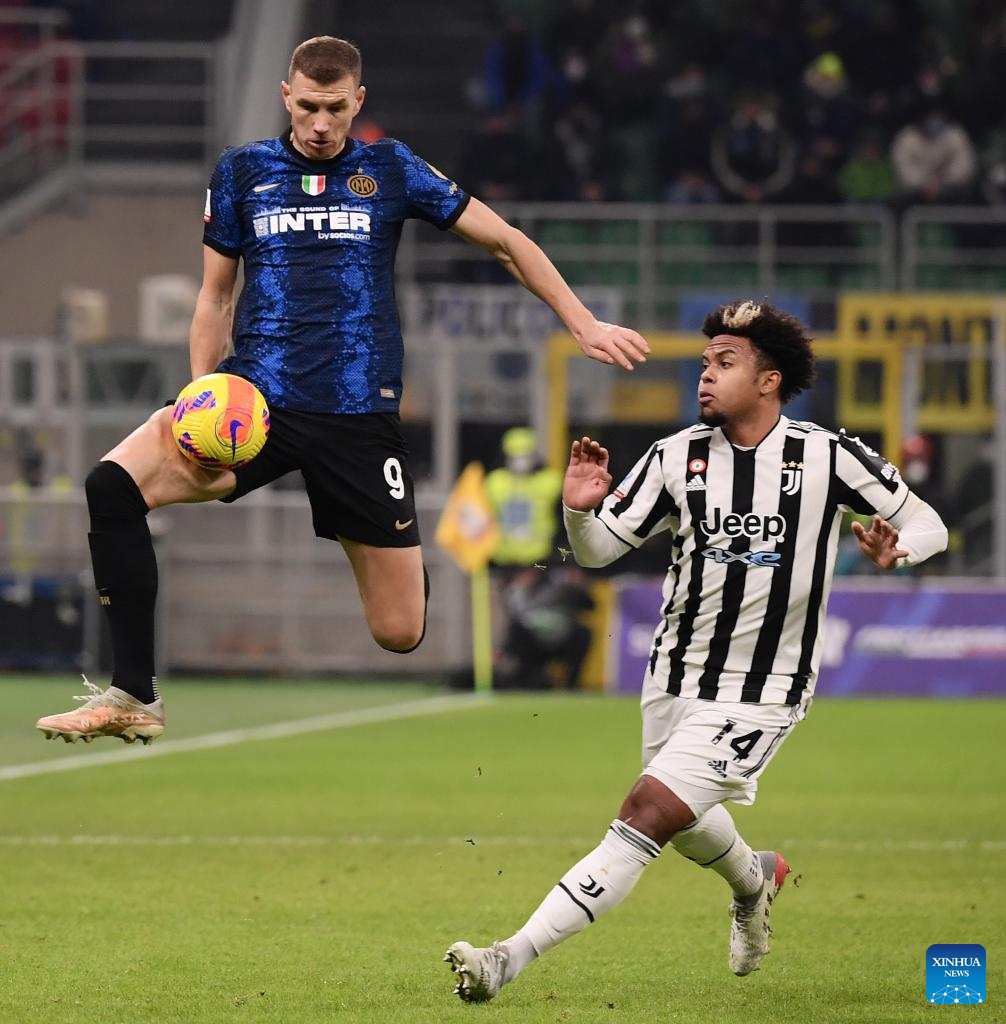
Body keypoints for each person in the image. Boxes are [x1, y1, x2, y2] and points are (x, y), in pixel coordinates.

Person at [35, 35, 649, 745]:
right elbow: (215, 297)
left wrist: (581, 322)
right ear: (286, 97)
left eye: (334, 108)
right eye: (307, 107)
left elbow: (505, 241)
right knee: (112, 486)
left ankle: (377, 535)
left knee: (399, 630)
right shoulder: (242, 170)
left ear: (358, 101)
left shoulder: (390, 167)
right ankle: (134, 693)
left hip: (358, 417)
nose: (320, 124)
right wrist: (203, 393)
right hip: (257, 405)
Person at [444, 299, 948, 1002]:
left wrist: (900, 553)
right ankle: (754, 879)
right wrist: (578, 509)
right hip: (673, 678)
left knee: (646, 810)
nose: (705, 375)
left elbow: (928, 524)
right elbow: (598, 552)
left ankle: (507, 958)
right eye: (705, 361)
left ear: (769, 380)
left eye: (724, 362)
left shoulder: (826, 455)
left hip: (764, 689)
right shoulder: (675, 457)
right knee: (682, 826)